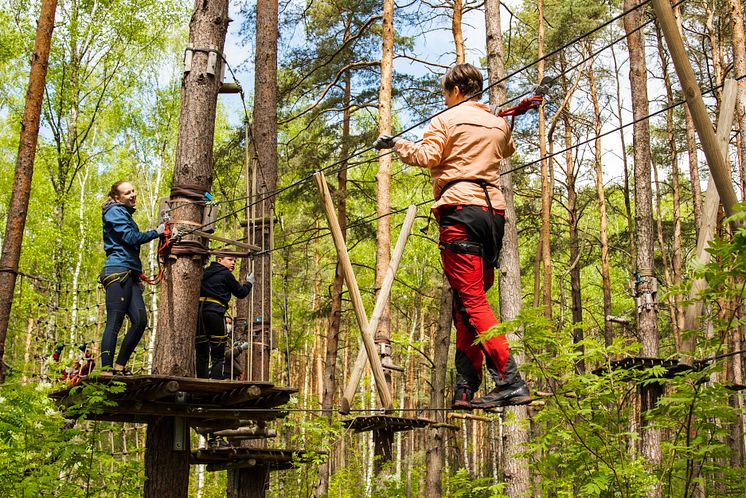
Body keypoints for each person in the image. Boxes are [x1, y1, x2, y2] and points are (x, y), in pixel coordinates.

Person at [373, 63, 531, 409]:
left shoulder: (445, 120)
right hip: (493, 215)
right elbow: (507, 149)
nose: (445, 99)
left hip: (460, 210)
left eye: (446, 93)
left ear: (456, 91)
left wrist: (396, 144)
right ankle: (467, 383)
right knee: (466, 300)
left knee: (472, 299)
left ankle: (509, 379)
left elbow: (428, 156)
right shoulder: (497, 122)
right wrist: (500, 118)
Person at [99, 181, 165, 376]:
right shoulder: (114, 212)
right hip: (118, 270)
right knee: (115, 320)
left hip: (129, 272)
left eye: (133, 191)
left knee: (140, 320)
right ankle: (106, 369)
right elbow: (129, 237)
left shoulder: (122, 212)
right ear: (117, 197)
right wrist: (157, 232)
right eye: (127, 193)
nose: (133, 195)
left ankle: (120, 365)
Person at [196, 255, 253, 380]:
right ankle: (216, 380)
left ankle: (201, 380)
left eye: (235, 261)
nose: (233, 263)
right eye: (230, 260)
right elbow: (241, 293)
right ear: (219, 260)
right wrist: (249, 283)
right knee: (218, 353)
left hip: (199, 315)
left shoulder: (203, 272)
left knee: (202, 352)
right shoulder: (225, 274)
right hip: (214, 313)